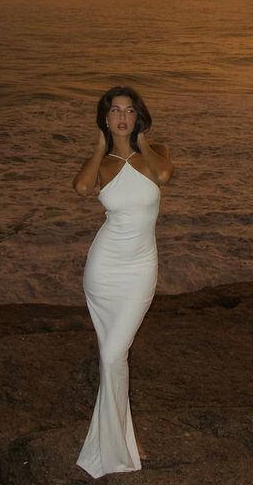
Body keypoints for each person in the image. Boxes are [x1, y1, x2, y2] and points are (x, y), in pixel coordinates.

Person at [73, 86, 174, 478]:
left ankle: (120, 438)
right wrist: (101, 147)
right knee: (114, 357)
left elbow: (164, 176)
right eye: (114, 111)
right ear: (105, 118)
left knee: (114, 355)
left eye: (129, 111)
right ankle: (125, 437)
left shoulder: (157, 152)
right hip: (103, 269)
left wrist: (142, 142)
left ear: (138, 117)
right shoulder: (101, 163)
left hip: (140, 270)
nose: (122, 117)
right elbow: (81, 188)